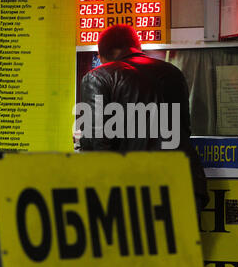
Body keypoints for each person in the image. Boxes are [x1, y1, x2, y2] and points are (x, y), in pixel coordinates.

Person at [75, 24, 208, 210]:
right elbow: (184, 128)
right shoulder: (173, 73)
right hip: (185, 185)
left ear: (101, 55)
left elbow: (96, 145)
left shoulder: (98, 77)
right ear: (138, 48)